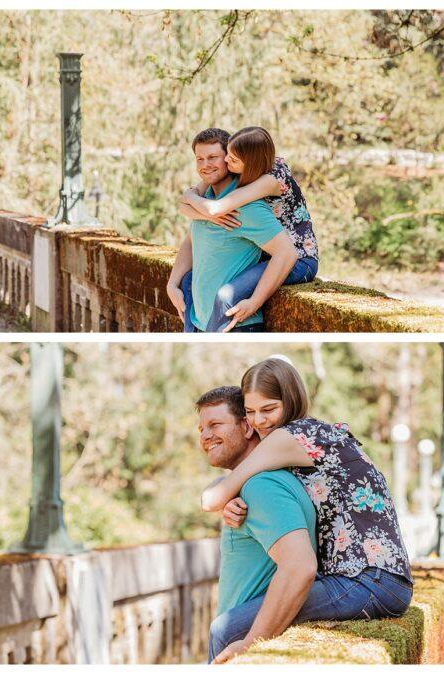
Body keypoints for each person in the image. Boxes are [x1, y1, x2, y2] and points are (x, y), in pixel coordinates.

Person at [199, 359, 412, 663]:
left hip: (368, 581)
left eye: (269, 409)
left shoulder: (290, 437)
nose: (258, 421)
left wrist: (249, 643)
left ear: (292, 399)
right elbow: (240, 479)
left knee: (228, 630)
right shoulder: (314, 435)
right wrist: (232, 495)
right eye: (250, 411)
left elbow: (213, 496)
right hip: (378, 579)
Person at [167, 127, 316, 332]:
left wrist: (254, 302)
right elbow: (193, 229)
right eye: (199, 159)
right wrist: (171, 284)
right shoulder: (216, 191)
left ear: (246, 160)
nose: (225, 161)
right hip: (270, 252)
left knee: (226, 297)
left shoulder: (262, 189)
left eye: (220, 158)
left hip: (299, 257)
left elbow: (215, 209)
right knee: (189, 281)